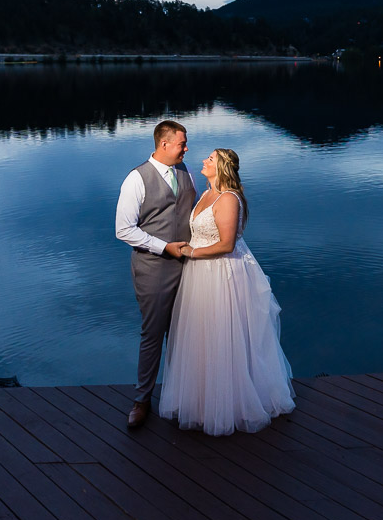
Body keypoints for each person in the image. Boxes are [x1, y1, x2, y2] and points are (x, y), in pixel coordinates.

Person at [156, 148, 295, 435]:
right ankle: (203, 401)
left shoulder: (229, 198)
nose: (204, 161)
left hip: (220, 273)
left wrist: (191, 253)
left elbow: (226, 244)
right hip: (199, 275)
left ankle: (232, 404)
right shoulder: (205, 193)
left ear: (222, 167)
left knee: (225, 334)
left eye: (211, 158)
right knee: (202, 335)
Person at [114, 119, 197, 429]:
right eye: (182, 144)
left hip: (189, 267)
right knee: (153, 335)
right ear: (164, 145)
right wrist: (164, 247)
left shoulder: (186, 172)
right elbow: (123, 230)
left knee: (184, 335)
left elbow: (193, 212)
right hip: (153, 269)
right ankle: (142, 400)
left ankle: (180, 397)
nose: (186, 149)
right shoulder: (136, 179)